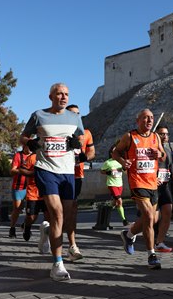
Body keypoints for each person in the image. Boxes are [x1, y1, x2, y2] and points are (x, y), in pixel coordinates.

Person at [20, 82, 84, 281]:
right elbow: (23, 137)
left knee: (65, 216)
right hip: (46, 169)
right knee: (57, 213)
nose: (63, 97)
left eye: (66, 94)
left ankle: (47, 231)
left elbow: (81, 139)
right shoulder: (39, 115)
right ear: (51, 96)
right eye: (59, 94)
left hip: (67, 172)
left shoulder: (75, 117)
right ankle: (58, 264)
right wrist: (30, 142)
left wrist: (77, 143)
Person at [113, 109, 165, 270]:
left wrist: (159, 154)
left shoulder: (155, 137)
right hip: (137, 182)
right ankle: (151, 255)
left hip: (153, 183)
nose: (149, 120)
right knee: (148, 216)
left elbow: (163, 155)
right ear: (138, 121)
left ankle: (128, 235)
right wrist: (123, 162)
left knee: (151, 218)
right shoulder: (129, 136)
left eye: (151, 118)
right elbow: (115, 152)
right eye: (145, 118)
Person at [65, 104, 95, 261]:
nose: (75, 116)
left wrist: (85, 157)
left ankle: (72, 245)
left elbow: (92, 152)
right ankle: (48, 231)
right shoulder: (59, 131)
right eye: (72, 113)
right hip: (58, 174)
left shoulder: (86, 133)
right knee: (56, 212)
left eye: (78, 113)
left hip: (76, 176)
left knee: (72, 210)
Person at [154, 125, 173, 253]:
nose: (165, 136)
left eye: (166, 134)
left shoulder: (168, 149)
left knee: (167, 213)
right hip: (153, 186)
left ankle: (159, 243)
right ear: (156, 135)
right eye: (161, 134)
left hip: (165, 185)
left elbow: (169, 165)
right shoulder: (151, 148)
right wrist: (152, 178)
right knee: (153, 218)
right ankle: (131, 232)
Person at [18, 148, 50, 253]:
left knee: (48, 217)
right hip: (33, 193)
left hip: (47, 192)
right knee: (32, 217)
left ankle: (46, 238)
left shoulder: (50, 156)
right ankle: (27, 227)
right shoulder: (31, 157)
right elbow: (22, 170)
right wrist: (35, 173)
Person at [100, 145, 128, 226]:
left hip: (119, 184)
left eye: (117, 152)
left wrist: (124, 168)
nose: (116, 153)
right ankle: (124, 220)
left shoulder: (121, 161)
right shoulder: (108, 162)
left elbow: (125, 172)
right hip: (111, 184)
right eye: (114, 152)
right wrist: (108, 172)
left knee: (115, 202)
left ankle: (106, 209)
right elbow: (101, 171)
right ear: (111, 153)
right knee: (119, 201)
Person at [8, 145, 31, 238]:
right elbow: (12, 171)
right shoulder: (18, 155)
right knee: (17, 208)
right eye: (29, 146)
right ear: (24, 146)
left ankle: (25, 226)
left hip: (31, 187)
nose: (30, 148)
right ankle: (12, 228)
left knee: (30, 209)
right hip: (19, 186)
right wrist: (23, 171)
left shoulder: (34, 156)